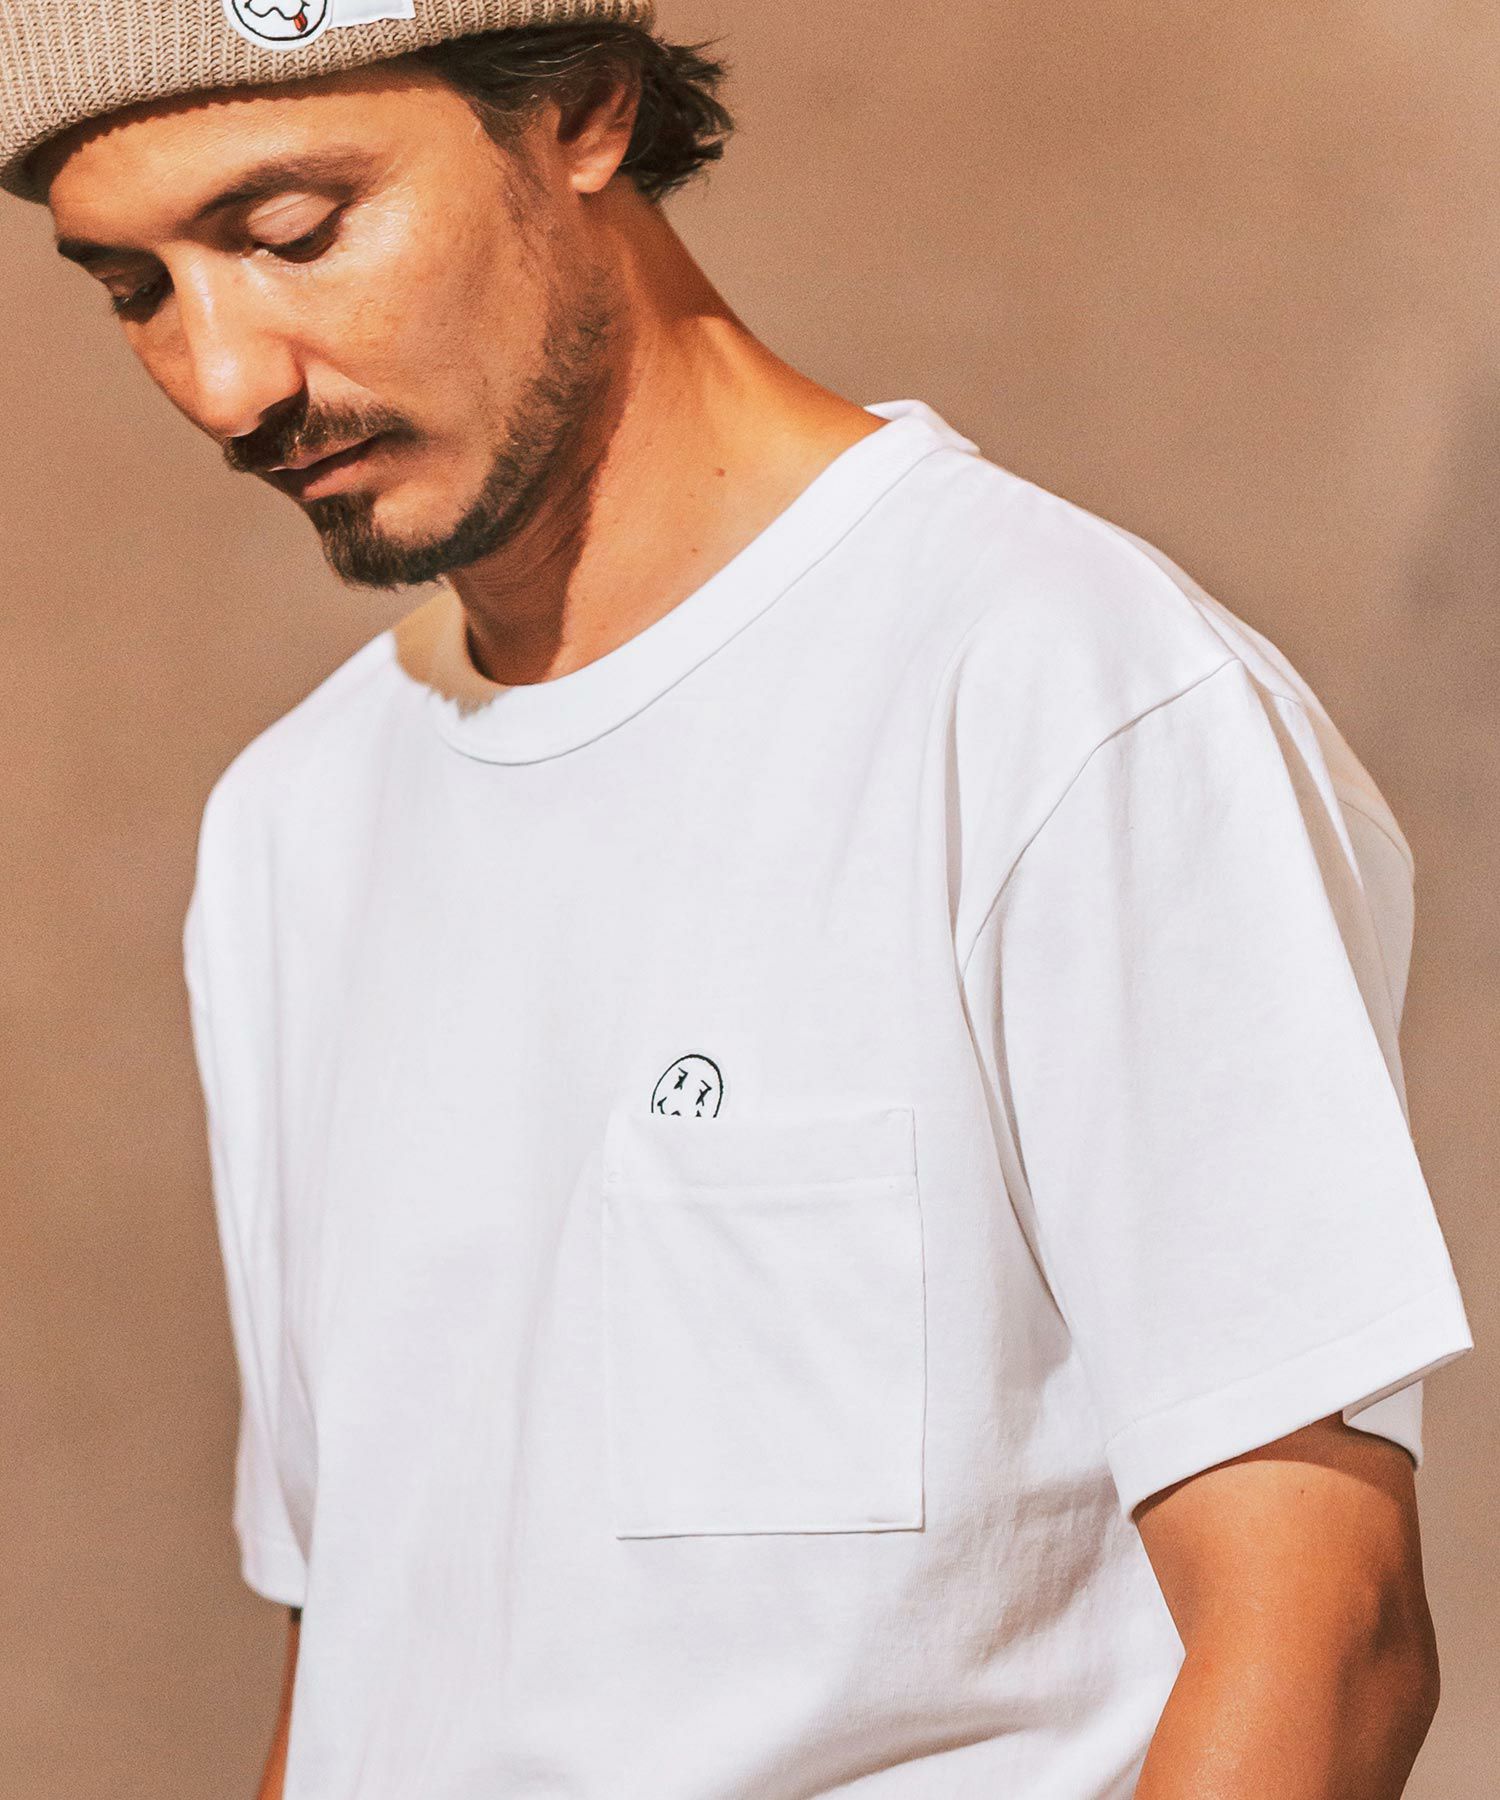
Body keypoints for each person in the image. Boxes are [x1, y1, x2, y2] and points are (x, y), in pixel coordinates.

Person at [2, 4, 1475, 1796]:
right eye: (134, 289)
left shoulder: (1056, 695)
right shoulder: (292, 823)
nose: (227, 380)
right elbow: (360, 1667)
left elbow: (1325, 1644)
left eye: (293, 233)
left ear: (583, 110)